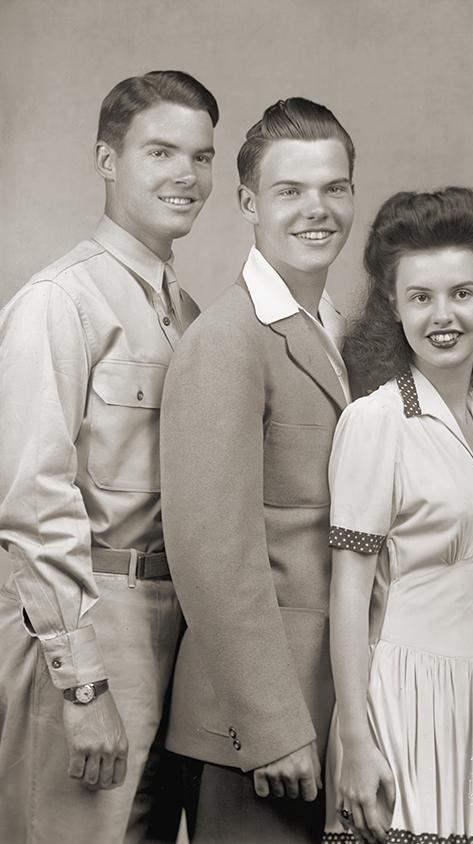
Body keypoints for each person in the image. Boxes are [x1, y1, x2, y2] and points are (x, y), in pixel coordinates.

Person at [0, 70, 218, 843]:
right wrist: (81, 679)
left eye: (201, 157)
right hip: (93, 613)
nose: (186, 176)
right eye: (161, 151)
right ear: (106, 159)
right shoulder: (60, 302)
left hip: (176, 625)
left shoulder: (188, 314)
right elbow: (31, 500)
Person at [322, 188, 473, 843]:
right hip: (401, 699)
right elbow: (348, 593)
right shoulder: (377, 423)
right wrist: (357, 740)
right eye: (420, 296)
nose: (443, 315)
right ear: (393, 304)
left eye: (461, 292)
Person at [160, 97, 355, 842]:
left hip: (337, 712)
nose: (317, 209)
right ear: (247, 202)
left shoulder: (342, 333)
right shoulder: (226, 341)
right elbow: (214, 555)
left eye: (334, 187)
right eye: (291, 190)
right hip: (256, 733)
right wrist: (273, 725)